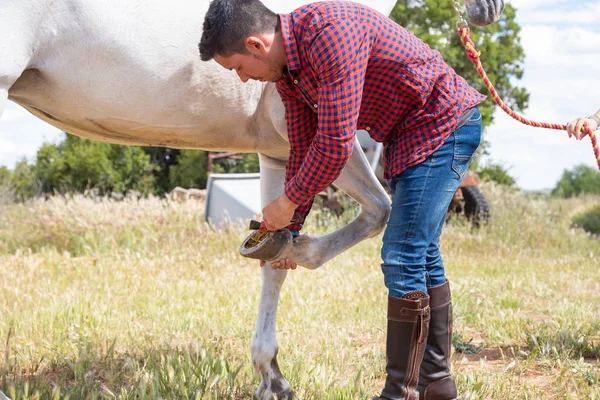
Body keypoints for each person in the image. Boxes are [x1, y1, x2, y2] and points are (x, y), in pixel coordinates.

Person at [200, 1, 485, 398]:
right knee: (422, 256)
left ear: (256, 45)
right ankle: (436, 383)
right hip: (411, 135)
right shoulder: (289, 74)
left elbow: (334, 146)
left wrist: (284, 205)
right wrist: (288, 232)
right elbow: (303, 149)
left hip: (441, 125)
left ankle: (399, 393)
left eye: (238, 68)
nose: (244, 80)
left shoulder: (331, 33)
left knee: (403, 254)